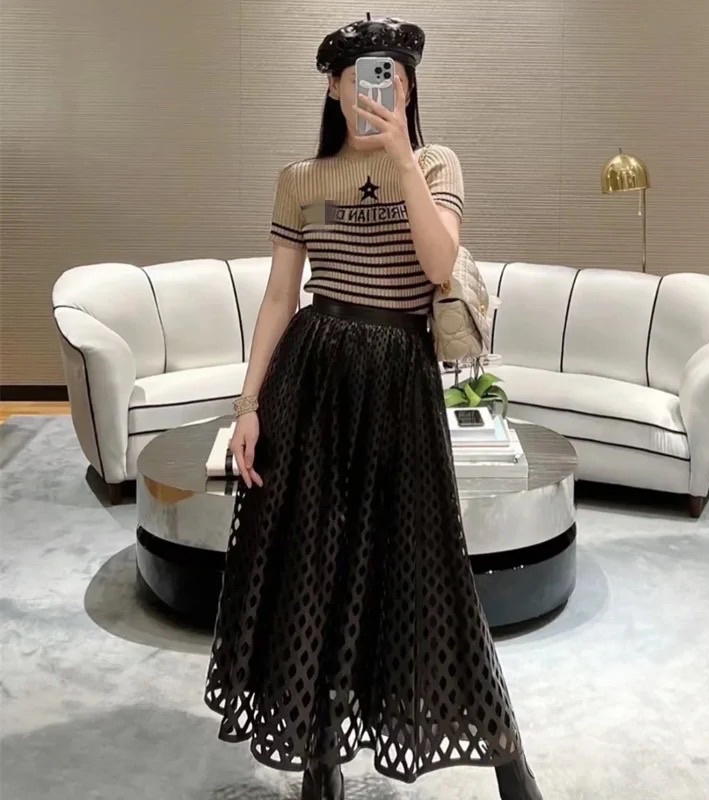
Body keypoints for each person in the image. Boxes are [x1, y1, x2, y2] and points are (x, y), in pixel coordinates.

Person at [204, 15, 545, 800]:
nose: (373, 91)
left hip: (397, 382)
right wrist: (248, 405)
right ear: (332, 87)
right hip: (312, 379)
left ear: (410, 89)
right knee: (311, 571)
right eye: (358, 76)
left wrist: (398, 159)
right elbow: (280, 297)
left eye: (390, 77)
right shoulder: (301, 179)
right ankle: (319, 757)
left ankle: (506, 753)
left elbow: (439, 263)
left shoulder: (435, 163)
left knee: (427, 571)